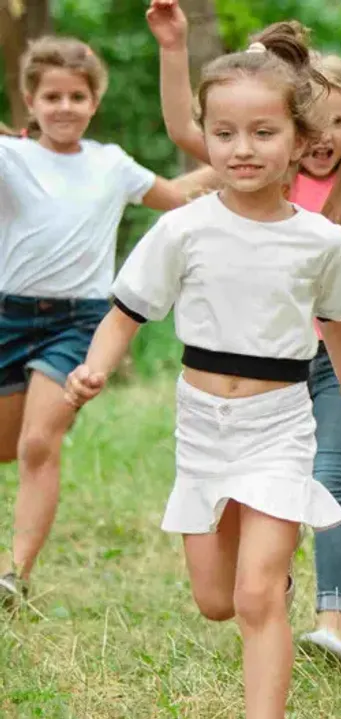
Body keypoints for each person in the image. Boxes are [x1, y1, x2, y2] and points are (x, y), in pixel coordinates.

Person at [64, 26, 341, 718]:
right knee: (216, 600)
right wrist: (94, 369)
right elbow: (126, 311)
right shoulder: (185, 227)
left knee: (254, 596)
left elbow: (339, 318)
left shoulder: (319, 239)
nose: (242, 149)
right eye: (225, 133)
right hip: (203, 427)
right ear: (206, 139)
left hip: (278, 426)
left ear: (298, 145)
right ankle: (263, 563)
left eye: (263, 132)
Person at [147, 0, 341, 668]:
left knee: (330, 478)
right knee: (266, 487)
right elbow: (185, 125)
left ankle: (332, 626)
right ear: (293, 123)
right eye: (317, 120)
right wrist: (174, 48)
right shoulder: (271, 167)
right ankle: (270, 586)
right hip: (270, 361)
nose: (327, 136)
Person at [0, 35, 216, 605]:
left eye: (77, 96)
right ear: (29, 101)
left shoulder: (111, 164)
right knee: (7, 444)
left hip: (81, 320)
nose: (64, 107)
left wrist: (232, 159)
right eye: (52, 96)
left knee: (39, 444)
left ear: (95, 101)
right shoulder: (10, 157)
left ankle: (13, 575)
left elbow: (174, 195)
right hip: (9, 314)